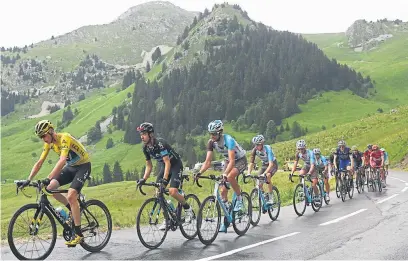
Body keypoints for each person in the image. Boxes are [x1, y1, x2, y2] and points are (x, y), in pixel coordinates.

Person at [21, 120, 91, 246]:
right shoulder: (49, 144)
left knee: (71, 196)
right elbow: (39, 162)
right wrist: (28, 179)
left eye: (44, 135)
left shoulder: (65, 138)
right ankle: (72, 209)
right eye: (40, 137)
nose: (43, 139)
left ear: (51, 131)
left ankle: (79, 235)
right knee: (50, 188)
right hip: (71, 167)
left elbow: (62, 160)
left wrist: (48, 177)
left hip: (83, 166)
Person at [136, 122, 194, 230]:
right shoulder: (146, 148)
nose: (141, 136)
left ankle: (188, 209)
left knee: (172, 191)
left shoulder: (160, 144)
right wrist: (144, 179)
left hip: (175, 165)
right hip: (165, 166)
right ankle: (168, 218)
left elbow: (167, 162)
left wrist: (164, 180)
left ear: (150, 134)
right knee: (159, 193)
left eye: (144, 134)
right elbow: (149, 166)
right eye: (141, 134)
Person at [197, 120, 247, 233]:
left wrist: (225, 174)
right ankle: (227, 216)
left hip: (240, 160)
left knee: (229, 177)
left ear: (220, 132)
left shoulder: (228, 140)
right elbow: (207, 162)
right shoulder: (211, 142)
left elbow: (233, 161)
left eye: (214, 133)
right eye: (210, 133)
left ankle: (239, 198)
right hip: (228, 161)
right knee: (223, 189)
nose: (212, 136)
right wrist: (200, 173)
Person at [247, 134, 278, 205]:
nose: (256, 146)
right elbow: (251, 163)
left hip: (273, 164)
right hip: (264, 165)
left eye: (258, 145)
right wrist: (248, 173)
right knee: (258, 180)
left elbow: (271, 164)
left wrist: (264, 174)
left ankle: (271, 197)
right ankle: (264, 195)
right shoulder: (254, 150)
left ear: (262, 144)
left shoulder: (268, 149)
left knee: (268, 175)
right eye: (255, 145)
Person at [290, 140, 320, 204]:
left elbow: (312, 165)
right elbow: (295, 163)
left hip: (314, 166)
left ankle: (317, 196)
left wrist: (309, 173)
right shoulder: (298, 154)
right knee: (300, 174)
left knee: (314, 184)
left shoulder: (310, 153)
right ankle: (304, 189)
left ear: (305, 148)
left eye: (302, 149)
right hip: (306, 165)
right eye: (299, 149)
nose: (301, 150)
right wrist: (291, 173)